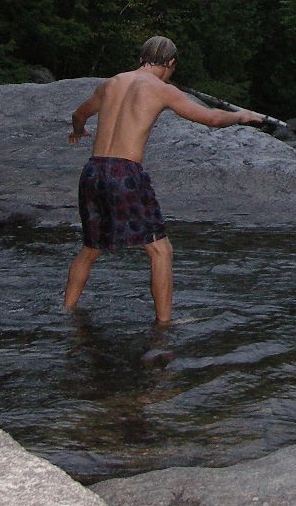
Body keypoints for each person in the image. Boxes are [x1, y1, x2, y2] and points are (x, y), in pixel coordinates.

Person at [63, 36, 266, 324]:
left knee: (90, 248)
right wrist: (240, 115)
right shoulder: (162, 89)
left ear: (142, 58)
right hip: (124, 173)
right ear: (170, 62)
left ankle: (67, 310)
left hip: (94, 171)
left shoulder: (112, 83)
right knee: (160, 250)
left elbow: (79, 114)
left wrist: (78, 131)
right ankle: (164, 324)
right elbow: (211, 118)